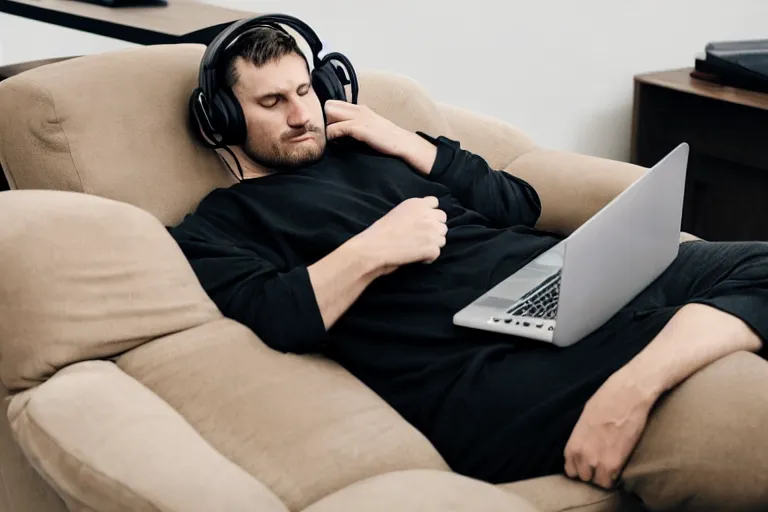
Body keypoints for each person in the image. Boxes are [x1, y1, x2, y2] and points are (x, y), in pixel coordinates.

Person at [168, 23, 768, 492]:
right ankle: (654, 367)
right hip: (477, 365)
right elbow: (272, 317)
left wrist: (410, 145)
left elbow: (519, 202)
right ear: (221, 120)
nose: (301, 115)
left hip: (558, 280)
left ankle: (634, 382)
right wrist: (375, 249)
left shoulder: (374, 148)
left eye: (304, 91)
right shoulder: (220, 224)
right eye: (272, 102)